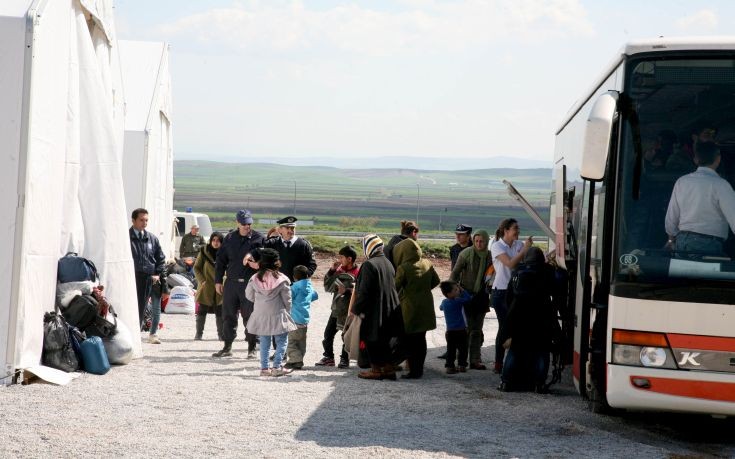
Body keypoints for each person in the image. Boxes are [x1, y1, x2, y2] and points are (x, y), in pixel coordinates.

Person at [499, 247, 557, 392]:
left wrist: (511, 312)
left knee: (515, 349)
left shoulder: (518, 270)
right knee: (542, 350)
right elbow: (556, 291)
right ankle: (539, 384)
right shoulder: (548, 270)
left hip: (519, 314)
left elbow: (509, 296)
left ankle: (505, 382)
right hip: (541, 313)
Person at [665, 141, 735, 257]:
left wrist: (671, 240)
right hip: (708, 245)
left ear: (696, 159)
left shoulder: (682, 182)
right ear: (718, 159)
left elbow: (671, 216)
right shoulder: (721, 185)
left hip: (681, 243)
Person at [212, 210, 264, 358]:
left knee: (250, 316)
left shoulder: (258, 238)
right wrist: (217, 281)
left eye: (249, 223)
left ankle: (252, 348)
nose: (247, 226)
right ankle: (227, 347)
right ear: (237, 223)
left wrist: (255, 257)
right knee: (228, 315)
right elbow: (221, 261)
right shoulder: (229, 238)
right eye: (244, 224)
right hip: (231, 283)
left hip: (250, 284)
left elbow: (265, 253)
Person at [352, 234, 402, 381]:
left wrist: (356, 310)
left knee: (371, 339)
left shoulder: (369, 265)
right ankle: (387, 369)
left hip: (374, 310)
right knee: (384, 340)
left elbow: (364, 292)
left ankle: (376, 370)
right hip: (389, 308)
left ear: (368, 247)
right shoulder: (387, 262)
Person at [245, 248, 297, 377]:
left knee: (264, 342)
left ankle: (264, 369)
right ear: (276, 263)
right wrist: (288, 311)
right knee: (281, 341)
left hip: (260, 314)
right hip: (278, 313)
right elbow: (287, 299)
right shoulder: (282, 279)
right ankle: (277, 367)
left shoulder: (254, 278)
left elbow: (249, 295)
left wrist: (259, 301)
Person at [490, 219, 532, 373]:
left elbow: (526, 262)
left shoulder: (518, 244)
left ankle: (514, 362)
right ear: (505, 230)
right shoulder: (497, 246)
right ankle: (499, 363)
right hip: (501, 292)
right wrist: (525, 250)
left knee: (517, 328)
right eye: (515, 228)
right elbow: (510, 264)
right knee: (504, 328)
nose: (518, 230)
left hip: (516, 291)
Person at [394, 238, 440, 379]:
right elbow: (436, 281)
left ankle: (413, 370)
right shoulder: (427, 263)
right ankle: (418, 369)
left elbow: (395, 288)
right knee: (421, 340)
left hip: (410, 309)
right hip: (426, 307)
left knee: (410, 341)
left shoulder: (404, 268)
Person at [450, 230, 492, 370]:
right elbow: (455, 273)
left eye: (482, 241)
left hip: (481, 297)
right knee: (465, 330)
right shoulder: (466, 254)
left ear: (486, 242)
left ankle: (475, 359)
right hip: (465, 296)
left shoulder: (490, 256)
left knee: (477, 331)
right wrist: (452, 293)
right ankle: (461, 360)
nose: (479, 244)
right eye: (476, 241)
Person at [317, 245, 360, 368]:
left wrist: (346, 290)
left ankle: (344, 359)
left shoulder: (358, 273)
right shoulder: (339, 271)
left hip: (348, 311)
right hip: (336, 309)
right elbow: (327, 286)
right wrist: (331, 270)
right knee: (328, 334)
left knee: (345, 335)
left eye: (342, 257)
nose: (339, 260)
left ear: (350, 259)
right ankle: (328, 358)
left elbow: (359, 290)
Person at [129, 208, 166, 336]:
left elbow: (161, 258)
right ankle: (132, 336)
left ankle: (147, 334)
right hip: (133, 278)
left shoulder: (152, 239)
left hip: (150, 278)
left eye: (146, 220)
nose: (144, 223)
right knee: (134, 308)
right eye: (141, 220)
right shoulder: (126, 238)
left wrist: (157, 273)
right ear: (133, 220)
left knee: (149, 308)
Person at [262, 216, 317, 282]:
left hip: (297, 285)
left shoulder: (303, 245)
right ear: (280, 230)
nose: (290, 230)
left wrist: (304, 277)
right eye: (287, 228)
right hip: (277, 284)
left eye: (292, 228)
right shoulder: (272, 243)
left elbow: (312, 264)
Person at [285, 265, 318, 370]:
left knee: (291, 341)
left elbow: (288, 299)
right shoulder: (309, 286)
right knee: (301, 341)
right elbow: (315, 296)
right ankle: (299, 360)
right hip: (304, 319)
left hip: (294, 319)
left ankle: (295, 360)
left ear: (294, 277)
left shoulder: (294, 287)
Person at [194, 231, 224, 340]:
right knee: (202, 310)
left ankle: (221, 335)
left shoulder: (225, 252)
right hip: (206, 285)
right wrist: (202, 281)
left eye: (218, 241)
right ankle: (199, 334)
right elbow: (196, 268)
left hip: (220, 285)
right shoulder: (204, 251)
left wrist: (224, 280)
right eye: (214, 240)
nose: (216, 243)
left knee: (220, 311)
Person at [439, 280, 470, 374]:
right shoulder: (458, 301)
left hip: (450, 331)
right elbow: (468, 298)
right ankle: (462, 365)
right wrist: (462, 289)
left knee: (451, 350)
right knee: (463, 349)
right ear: (449, 293)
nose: (458, 291)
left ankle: (449, 366)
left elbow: (440, 307)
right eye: (456, 290)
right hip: (461, 330)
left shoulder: (444, 302)